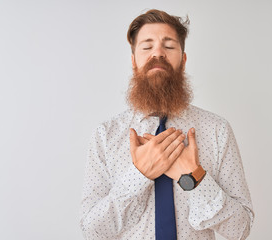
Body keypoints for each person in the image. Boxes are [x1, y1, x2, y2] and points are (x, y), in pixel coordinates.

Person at [80, 9, 254, 240]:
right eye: (147, 46)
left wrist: (193, 177)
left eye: (169, 46)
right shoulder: (105, 134)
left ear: (183, 60)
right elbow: (92, 231)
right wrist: (140, 174)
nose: (158, 53)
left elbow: (240, 229)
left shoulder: (217, 130)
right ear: (134, 61)